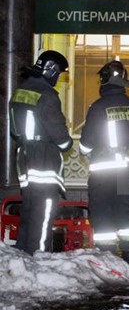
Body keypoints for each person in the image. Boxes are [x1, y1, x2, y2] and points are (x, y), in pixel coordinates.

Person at [9, 50, 73, 255]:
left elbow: (14, 130)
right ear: (51, 70)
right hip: (43, 158)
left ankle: (23, 252)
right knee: (44, 210)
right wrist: (66, 142)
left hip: (24, 156)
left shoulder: (20, 91)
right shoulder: (47, 96)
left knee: (28, 208)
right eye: (59, 73)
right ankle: (39, 256)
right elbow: (61, 138)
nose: (58, 78)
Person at [79, 60, 129, 264]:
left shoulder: (98, 107)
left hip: (103, 170)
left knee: (102, 209)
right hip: (124, 169)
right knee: (124, 209)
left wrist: (85, 151)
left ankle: (106, 254)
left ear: (106, 80)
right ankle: (127, 254)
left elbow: (87, 141)